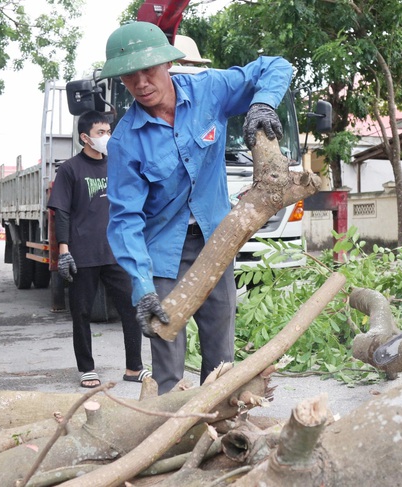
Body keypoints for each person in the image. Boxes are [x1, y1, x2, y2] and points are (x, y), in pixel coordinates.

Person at [99, 22, 293, 395]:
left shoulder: (209, 90)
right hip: (162, 256)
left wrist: (263, 102)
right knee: (167, 353)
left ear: (167, 64)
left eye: (148, 70)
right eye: (129, 76)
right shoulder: (125, 142)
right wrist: (142, 287)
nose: (140, 83)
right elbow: (125, 220)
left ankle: (220, 427)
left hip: (216, 239)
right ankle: (172, 432)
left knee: (220, 349)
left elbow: (276, 65)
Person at [47, 110, 149, 389]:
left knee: (131, 308)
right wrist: (64, 251)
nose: (107, 137)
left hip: (116, 251)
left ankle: (134, 367)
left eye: (109, 131)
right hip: (83, 253)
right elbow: (62, 212)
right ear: (85, 137)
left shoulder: (116, 164)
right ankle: (86, 369)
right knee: (80, 312)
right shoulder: (70, 169)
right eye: (101, 133)